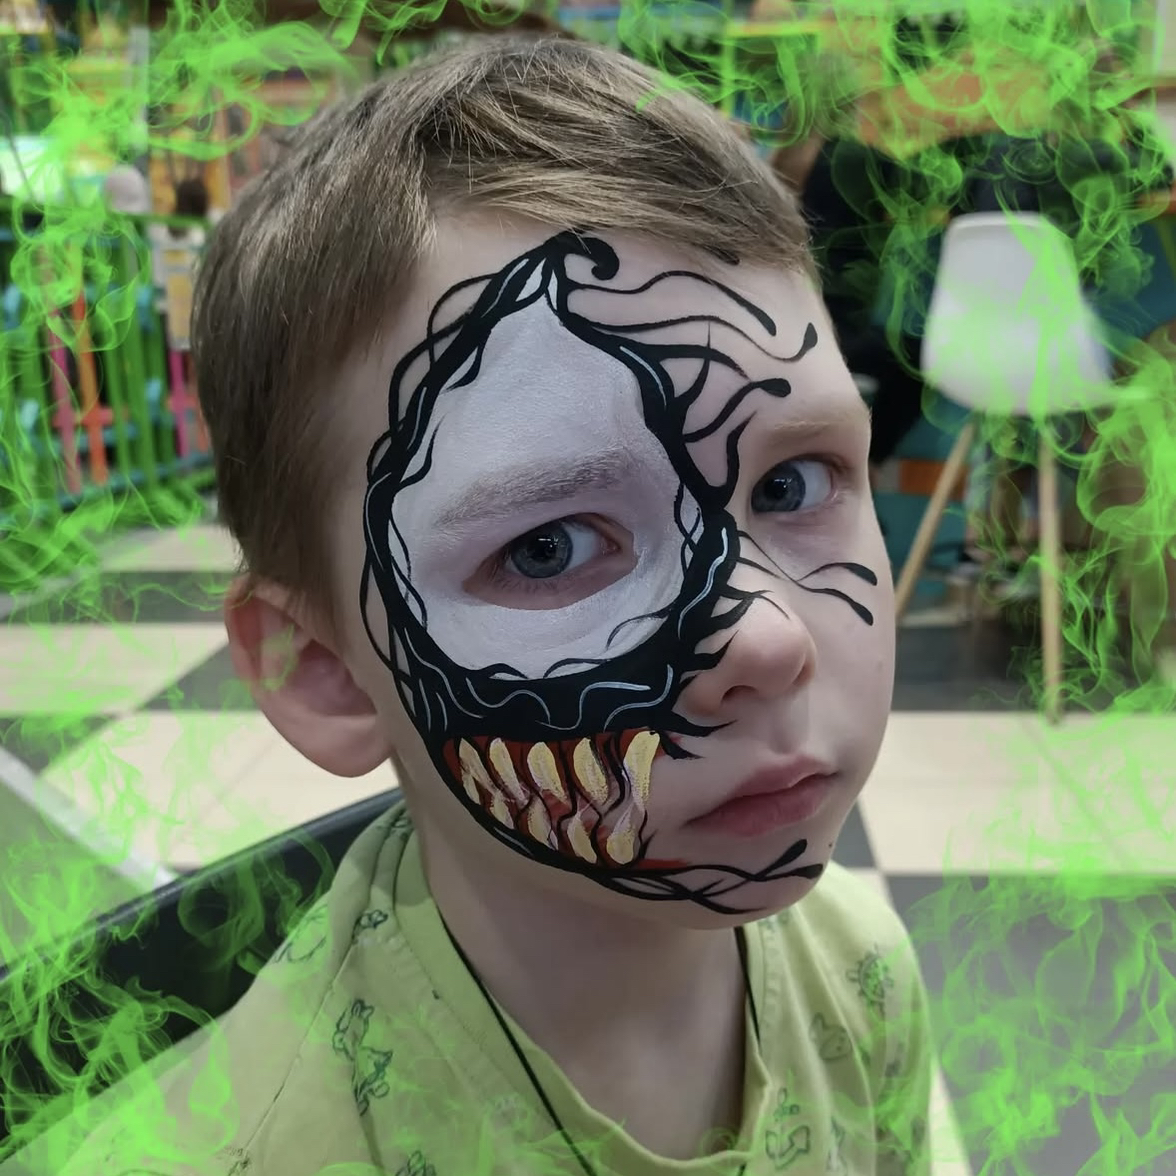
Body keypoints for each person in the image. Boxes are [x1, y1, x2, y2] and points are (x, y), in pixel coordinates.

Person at [53, 35, 933, 1176]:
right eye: (549, 548)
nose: (768, 635)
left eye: (793, 484)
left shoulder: (862, 973)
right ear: (325, 671)